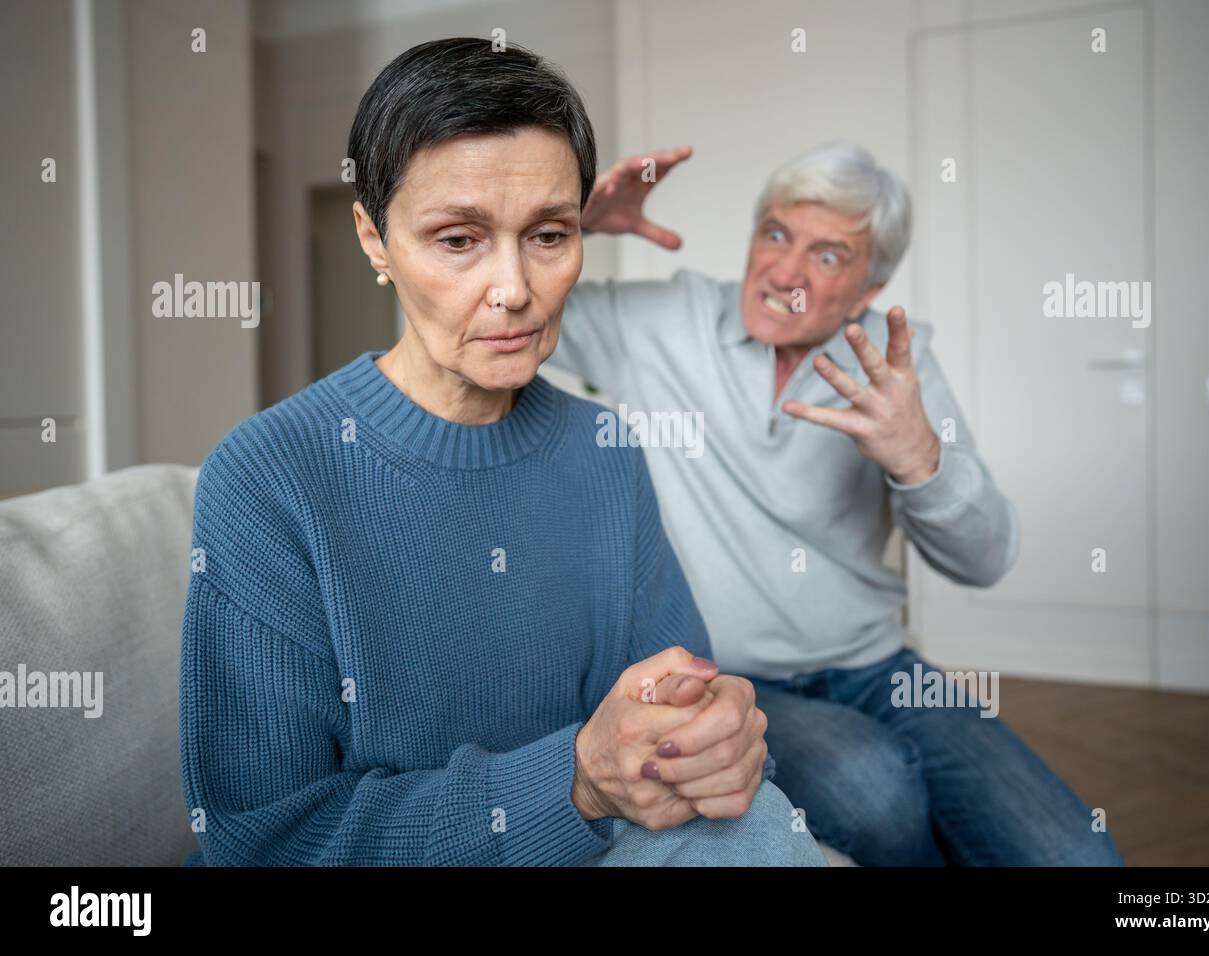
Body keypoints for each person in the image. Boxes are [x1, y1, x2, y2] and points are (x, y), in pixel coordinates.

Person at [177, 37, 825, 867]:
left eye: (550, 235)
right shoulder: (269, 477)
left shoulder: (605, 450)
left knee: (757, 824)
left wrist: (716, 738)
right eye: (458, 240)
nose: (514, 288)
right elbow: (260, 839)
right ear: (374, 240)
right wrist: (575, 783)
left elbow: (675, 710)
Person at [551, 141, 1125, 866]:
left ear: (865, 291)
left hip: (873, 663)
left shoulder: (893, 366)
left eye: (827, 257)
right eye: (777, 234)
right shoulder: (664, 321)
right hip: (725, 675)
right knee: (875, 790)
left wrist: (922, 463)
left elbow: (987, 558)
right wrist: (576, 226)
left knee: (1081, 857)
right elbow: (512, 308)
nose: (785, 271)